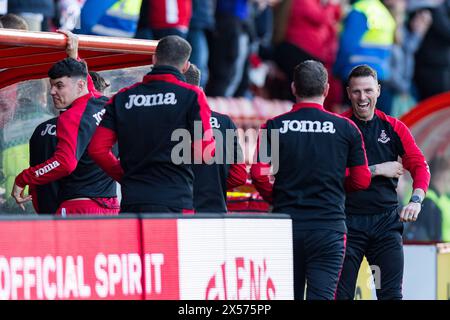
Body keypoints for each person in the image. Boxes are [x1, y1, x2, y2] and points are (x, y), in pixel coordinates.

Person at [251, 60, 371, 300]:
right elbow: (362, 180)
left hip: (286, 226)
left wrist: (277, 196)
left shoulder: (274, 126)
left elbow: (258, 173)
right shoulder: (346, 129)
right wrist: (334, 186)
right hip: (328, 228)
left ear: (294, 88)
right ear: (326, 89)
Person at [88, 35, 215, 214]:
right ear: (186, 66)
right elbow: (204, 152)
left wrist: (125, 176)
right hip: (176, 200)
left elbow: (97, 149)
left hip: (133, 199)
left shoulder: (122, 98)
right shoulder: (192, 96)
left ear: (154, 59)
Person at [336, 64, 431, 300]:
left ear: (378, 90)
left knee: (390, 295)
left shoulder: (394, 127)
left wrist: (416, 201)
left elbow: (420, 166)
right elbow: (330, 176)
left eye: (368, 90)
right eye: (356, 91)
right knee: (341, 295)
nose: (362, 97)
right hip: (348, 224)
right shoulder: (338, 128)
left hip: (385, 226)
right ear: (348, 92)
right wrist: (376, 170)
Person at [11, 54, 119, 215]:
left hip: (79, 210)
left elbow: (64, 163)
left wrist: (24, 178)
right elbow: (82, 75)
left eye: (59, 86)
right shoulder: (103, 103)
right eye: (51, 86)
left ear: (81, 85)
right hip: (111, 208)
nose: (52, 92)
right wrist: (73, 52)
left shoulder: (72, 116)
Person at [28, 71, 110, 214]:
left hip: (50, 211)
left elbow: (36, 182)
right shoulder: (102, 126)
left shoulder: (41, 130)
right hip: (81, 207)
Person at [185, 64, 247, 213]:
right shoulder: (226, 122)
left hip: (182, 209)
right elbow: (239, 175)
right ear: (200, 89)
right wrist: (215, 185)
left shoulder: (172, 122)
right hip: (216, 210)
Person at [404, 156, 450, 242]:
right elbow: (431, 237)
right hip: (438, 251)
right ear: (443, 174)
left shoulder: (441, 198)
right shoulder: (429, 201)